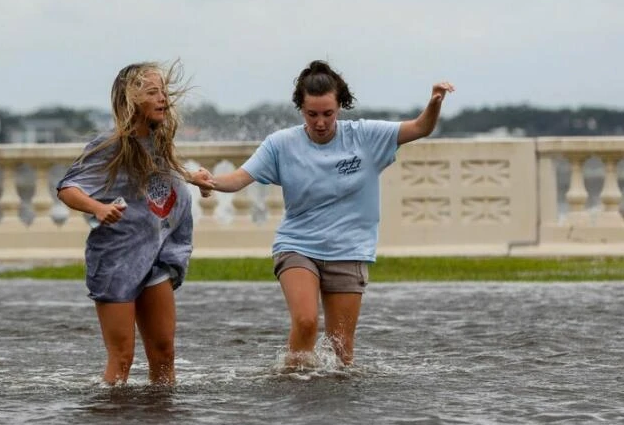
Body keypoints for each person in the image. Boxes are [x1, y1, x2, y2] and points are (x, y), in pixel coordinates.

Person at [205, 60, 454, 368]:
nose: (320, 122)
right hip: (297, 245)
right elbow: (240, 178)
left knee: (341, 351)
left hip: (349, 250)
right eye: (312, 115)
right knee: (307, 321)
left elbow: (420, 127)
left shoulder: (365, 137)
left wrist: (433, 104)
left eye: (328, 114)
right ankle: (291, 385)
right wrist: (211, 181)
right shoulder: (281, 144)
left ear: (340, 107)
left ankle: (333, 412)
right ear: (300, 109)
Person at [56, 61, 214, 385]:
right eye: (153, 92)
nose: (163, 99)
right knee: (123, 357)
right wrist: (97, 208)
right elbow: (67, 188)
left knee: (164, 352)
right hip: (116, 261)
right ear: (131, 100)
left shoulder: (159, 140)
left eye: (164, 92)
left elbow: (162, 172)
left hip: (155, 257)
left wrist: (191, 177)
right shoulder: (110, 145)